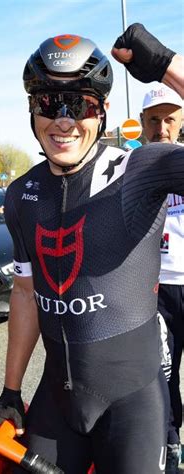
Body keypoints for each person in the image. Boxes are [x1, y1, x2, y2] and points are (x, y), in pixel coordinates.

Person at [0, 24, 184, 473]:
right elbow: (24, 292)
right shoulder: (20, 194)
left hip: (132, 400)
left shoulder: (142, 169)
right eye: (49, 102)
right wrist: (11, 391)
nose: (63, 119)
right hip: (58, 400)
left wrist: (169, 67)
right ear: (31, 110)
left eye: (80, 103)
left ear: (103, 113)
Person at [141, 84, 184, 472]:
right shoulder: (131, 168)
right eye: (154, 120)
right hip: (156, 289)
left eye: (170, 119)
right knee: (162, 375)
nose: (162, 128)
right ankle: (171, 442)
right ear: (141, 124)